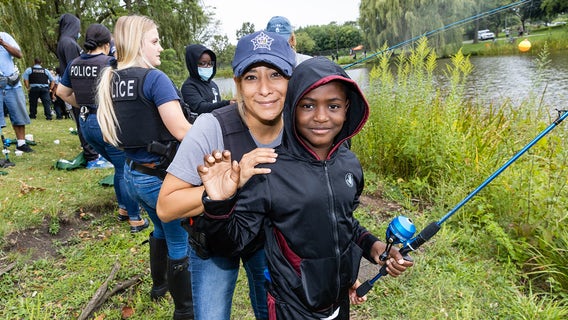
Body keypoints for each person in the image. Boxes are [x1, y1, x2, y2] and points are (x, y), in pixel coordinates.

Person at [197, 57, 414, 319]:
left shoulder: (349, 164)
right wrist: (220, 202)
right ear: (291, 109)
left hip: (338, 302)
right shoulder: (268, 170)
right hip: (292, 307)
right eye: (308, 106)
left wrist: (373, 246)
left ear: (346, 108)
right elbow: (231, 243)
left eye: (333, 106)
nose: (321, 117)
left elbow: (343, 221)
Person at [157, 30, 296, 320]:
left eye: (275, 75)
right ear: (236, 85)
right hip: (214, 241)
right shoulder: (211, 127)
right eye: (251, 77)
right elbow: (166, 206)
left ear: (291, 80)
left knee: (273, 310)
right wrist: (218, 192)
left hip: (265, 238)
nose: (264, 89)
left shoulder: (299, 125)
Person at [96, 15, 193, 319]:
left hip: (133, 175)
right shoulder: (154, 79)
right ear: (138, 42)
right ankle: (185, 311)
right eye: (154, 41)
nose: (160, 47)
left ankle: (159, 286)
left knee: (159, 227)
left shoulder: (110, 80)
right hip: (160, 176)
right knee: (180, 238)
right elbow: (181, 131)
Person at [56, 23, 148, 233]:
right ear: (107, 45)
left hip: (86, 123)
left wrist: (82, 105)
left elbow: (61, 91)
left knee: (118, 167)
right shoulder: (110, 63)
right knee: (124, 167)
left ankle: (124, 209)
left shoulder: (74, 63)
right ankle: (135, 219)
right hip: (105, 122)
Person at [57, 13, 109, 169]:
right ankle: (94, 157)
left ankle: (93, 156)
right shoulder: (106, 62)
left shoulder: (64, 45)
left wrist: (80, 103)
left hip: (77, 99)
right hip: (92, 104)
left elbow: (62, 90)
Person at [0, 31, 33, 153]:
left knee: (18, 114)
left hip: (11, 84)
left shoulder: (4, 36)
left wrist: (3, 43)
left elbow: (19, 54)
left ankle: (21, 143)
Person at [181, 44, 235, 115]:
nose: (208, 67)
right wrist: (227, 103)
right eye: (203, 63)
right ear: (193, 64)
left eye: (210, 63)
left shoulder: (213, 85)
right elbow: (201, 108)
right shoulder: (188, 87)